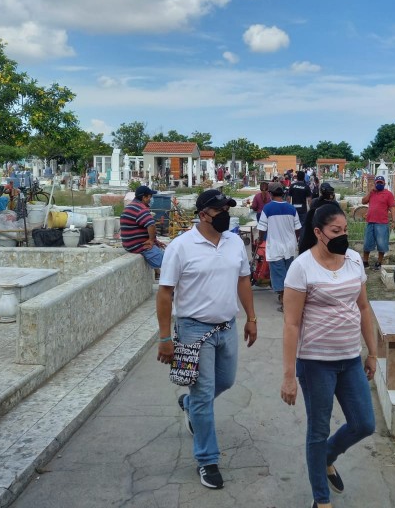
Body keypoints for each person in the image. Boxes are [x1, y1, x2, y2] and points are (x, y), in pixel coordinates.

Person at [156, 189, 258, 490]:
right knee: (204, 396)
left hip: (226, 327)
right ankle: (207, 460)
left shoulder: (234, 242)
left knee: (224, 382)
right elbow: (165, 293)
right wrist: (164, 337)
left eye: (228, 208)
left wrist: (251, 318)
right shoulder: (181, 246)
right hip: (193, 330)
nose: (226, 214)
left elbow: (243, 280)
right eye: (220, 210)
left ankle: (189, 404)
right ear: (203, 215)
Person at [280, 203, 377, 508]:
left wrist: (372, 352)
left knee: (364, 424)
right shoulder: (302, 267)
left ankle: (327, 457)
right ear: (319, 232)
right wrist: (288, 376)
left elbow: (363, 307)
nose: (343, 236)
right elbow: (291, 324)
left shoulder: (353, 261)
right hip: (315, 363)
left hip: (349, 359)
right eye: (336, 231)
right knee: (318, 430)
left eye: (345, 230)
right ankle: (321, 500)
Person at [258, 183, 301, 308]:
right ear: (283, 194)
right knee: (288, 273)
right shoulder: (291, 208)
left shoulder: (267, 208)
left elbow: (262, 228)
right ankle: (288, 296)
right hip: (290, 246)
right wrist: (295, 239)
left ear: (271, 194)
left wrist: (261, 239)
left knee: (279, 273)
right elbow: (298, 228)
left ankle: (284, 300)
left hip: (275, 246)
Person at [120, 185, 165, 279]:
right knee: (168, 263)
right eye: (150, 197)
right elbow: (151, 225)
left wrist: (155, 241)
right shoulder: (141, 209)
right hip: (139, 246)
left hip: (129, 244)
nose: (151, 199)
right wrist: (152, 240)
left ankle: (159, 274)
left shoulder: (130, 207)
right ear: (144, 197)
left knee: (163, 253)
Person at [361, 175, 395, 270]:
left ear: (384, 183)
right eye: (378, 183)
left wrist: (393, 221)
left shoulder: (388, 194)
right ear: (375, 184)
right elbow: (363, 201)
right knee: (367, 244)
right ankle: (365, 262)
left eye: (381, 183)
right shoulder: (372, 193)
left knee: (382, 244)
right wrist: (370, 192)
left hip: (382, 223)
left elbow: (392, 207)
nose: (379, 184)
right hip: (370, 222)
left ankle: (379, 263)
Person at [299, 182, 339, 254]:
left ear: (320, 192)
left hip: (314, 232)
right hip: (329, 232)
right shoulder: (334, 204)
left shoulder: (315, 202)